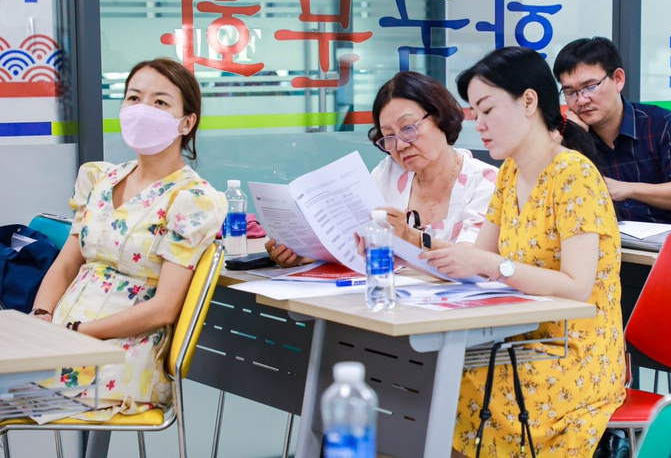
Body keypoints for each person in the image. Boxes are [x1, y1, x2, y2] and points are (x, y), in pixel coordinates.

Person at [420, 47, 625, 457]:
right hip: (519, 337)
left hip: (574, 355)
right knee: (431, 371)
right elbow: (477, 259)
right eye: (475, 112)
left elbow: (577, 286)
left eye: (487, 109)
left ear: (529, 101)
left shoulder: (574, 174)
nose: (478, 124)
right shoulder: (511, 172)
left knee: (460, 384)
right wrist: (409, 244)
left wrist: (494, 266)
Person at [30, 58, 227, 423]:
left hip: (123, 354)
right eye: (134, 98)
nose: (142, 109)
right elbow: (67, 264)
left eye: (160, 102)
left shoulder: (192, 199)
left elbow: (164, 308)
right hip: (62, 337)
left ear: (187, 123)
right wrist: (41, 318)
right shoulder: (100, 179)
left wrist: (77, 333)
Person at [266, 71, 498, 266]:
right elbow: (354, 241)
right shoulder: (388, 174)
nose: (400, 145)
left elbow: (474, 262)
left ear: (440, 116)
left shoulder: (487, 182)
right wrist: (305, 254)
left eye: (408, 128)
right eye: (389, 137)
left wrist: (410, 237)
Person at [553, 36, 671, 224]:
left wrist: (625, 189)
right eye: (570, 92)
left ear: (618, 79)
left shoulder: (662, 123)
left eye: (590, 87)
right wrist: (569, 136)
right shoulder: (571, 136)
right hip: (605, 240)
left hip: (668, 239)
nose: (581, 100)